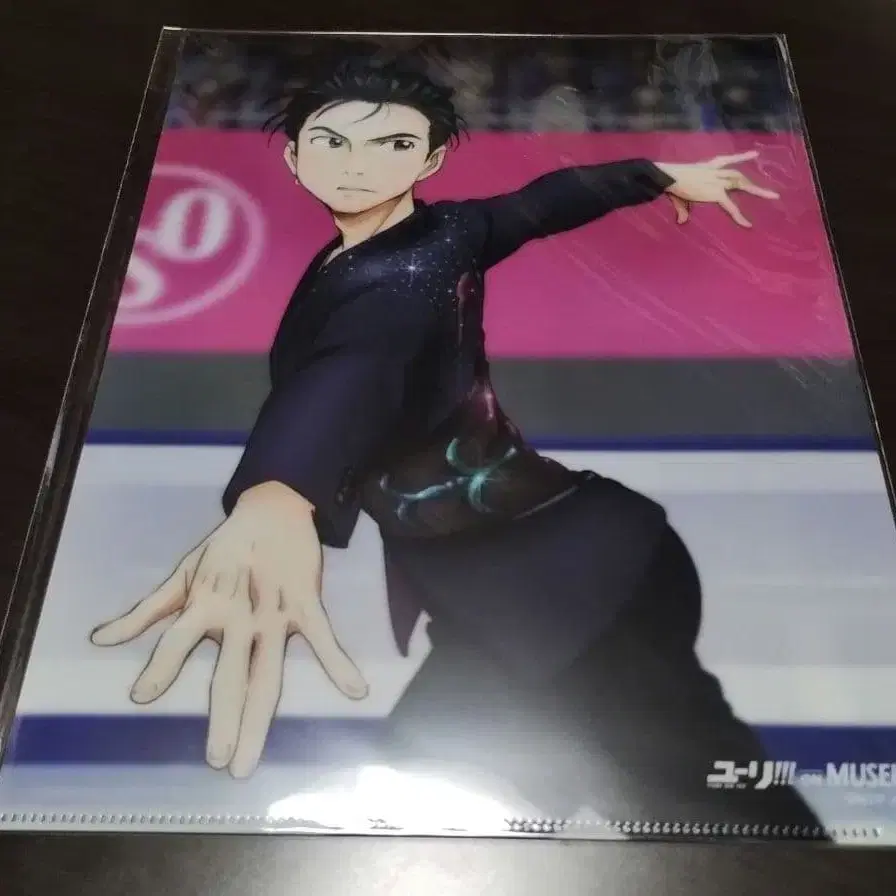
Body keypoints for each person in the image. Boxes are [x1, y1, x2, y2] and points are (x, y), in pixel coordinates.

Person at [91, 52, 825, 834]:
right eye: (333, 142)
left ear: (430, 159)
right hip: (534, 582)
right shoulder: (443, 232)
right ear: (295, 156)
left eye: (393, 144)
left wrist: (277, 492)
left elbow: (357, 370)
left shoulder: (395, 281)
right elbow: (541, 203)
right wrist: (655, 173)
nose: (357, 163)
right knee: (514, 788)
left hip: (566, 584)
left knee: (650, 798)